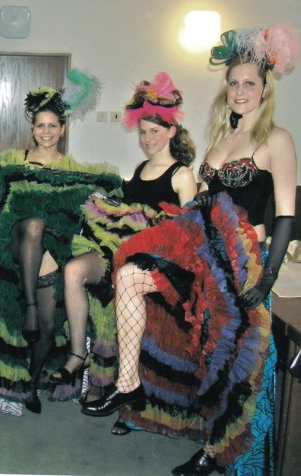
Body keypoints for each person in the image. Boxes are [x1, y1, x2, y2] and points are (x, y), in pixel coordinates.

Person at [81, 24, 299, 475]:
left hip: (242, 263)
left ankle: (216, 450)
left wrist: (270, 276)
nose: (240, 91)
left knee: (224, 355)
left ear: (265, 89)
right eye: (234, 83)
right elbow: (205, 204)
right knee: (129, 275)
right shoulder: (222, 138)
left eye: (249, 84)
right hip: (202, 252)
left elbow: (284, 216)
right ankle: (128, 384)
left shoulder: (275, 138)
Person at [50, 73, 197, 436]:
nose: (148, 139)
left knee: (125, 281)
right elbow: (124, 221)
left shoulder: (182, 175)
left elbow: (189, 234)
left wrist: (153, 251)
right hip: (123, 257)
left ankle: (126, 397)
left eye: (155, 132)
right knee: (73, 270)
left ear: (172, 132)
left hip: (163, 266)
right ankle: (77, 356)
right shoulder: (140, 170)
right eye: (143, 132)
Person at [0, 74, 124, 416]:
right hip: (15, 246)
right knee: (34, 225)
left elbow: (102, 201)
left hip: (48, 256)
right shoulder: (12, 164)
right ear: (32, 129)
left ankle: (31, 382)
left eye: (52, 126)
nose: (46, 132)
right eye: (40, 126)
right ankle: (28, 307)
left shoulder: (75, 171)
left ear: (63, 129)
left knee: (46, 325)